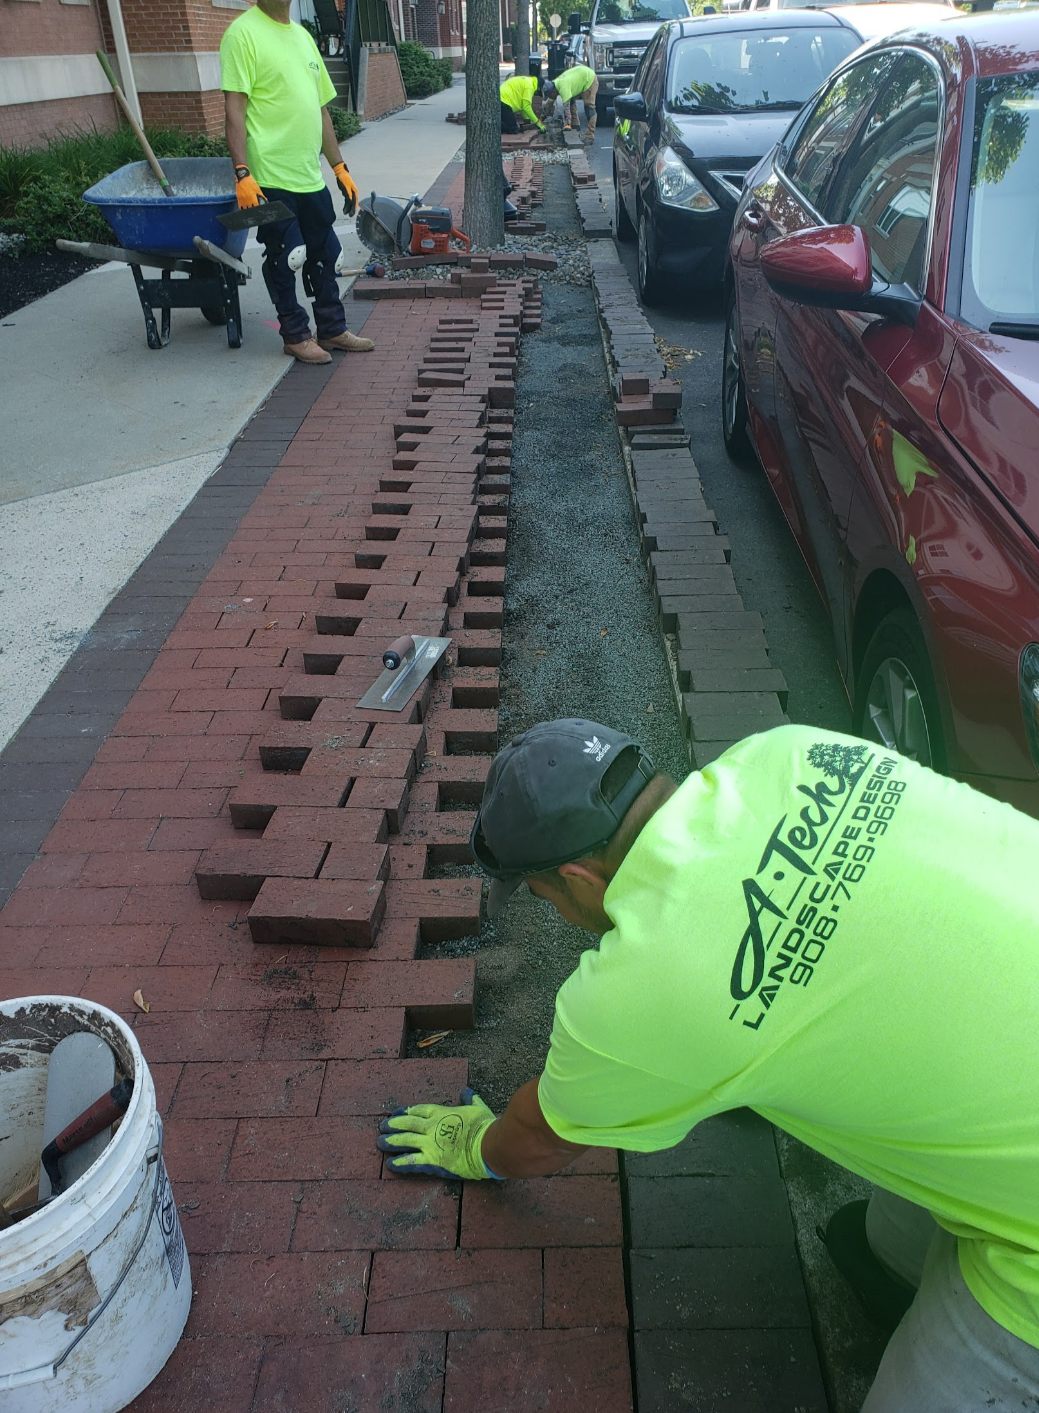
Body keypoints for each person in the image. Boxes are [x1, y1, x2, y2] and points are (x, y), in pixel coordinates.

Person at [379, 718, 1039, 1412]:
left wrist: (477, 1147)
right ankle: (898, 1276)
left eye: (542, 895)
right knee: (889, 1237)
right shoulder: (786, 749)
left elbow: (542, 1136)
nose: (552, 908)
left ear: (577, 875)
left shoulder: (636, 991)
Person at [219, 0, 374, 366]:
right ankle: (294, 334)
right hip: (269, 177)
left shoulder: (303, 38)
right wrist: (242, 171)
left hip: (308, 175)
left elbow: (319, 110)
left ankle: (332, 328)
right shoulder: (242, 34)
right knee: (287, 256)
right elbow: (234, 110)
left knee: (325, 253)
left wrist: (339, 168)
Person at [543, 65, 599, 142]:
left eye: (550, 95)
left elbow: (566, 109)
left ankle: (590, 136)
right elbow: (549, 103)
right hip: (579, 78)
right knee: (572, 102)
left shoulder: (563, 88)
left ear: (553, 92)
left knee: (589, 108)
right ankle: (576, 127)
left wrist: (567, 124)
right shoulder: (554, 84)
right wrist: (542, 117)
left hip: (589, 79)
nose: (551, 97)